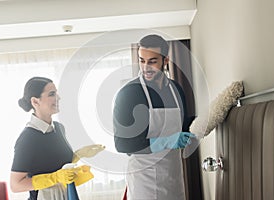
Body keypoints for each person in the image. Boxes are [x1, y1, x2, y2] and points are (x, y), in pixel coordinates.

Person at [113, 34, 195, 199]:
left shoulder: (176, 89)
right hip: (145, 182)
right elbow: (122, 143)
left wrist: (207, 119)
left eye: (152, 61)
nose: (146, 67)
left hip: (174, 177)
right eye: (142, 60)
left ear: (165, 60)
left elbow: (184, 125)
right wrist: (167, 141)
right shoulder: (129, 93)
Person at [10, 77, 105, 200]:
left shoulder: (59, 129)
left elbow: (58, 165)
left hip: (66, 195)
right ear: (35, 101)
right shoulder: (28, 138)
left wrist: (78, 155)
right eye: (52, 94)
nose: (58, 98)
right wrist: (54, 178)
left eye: (56, 93)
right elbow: (16, 185)